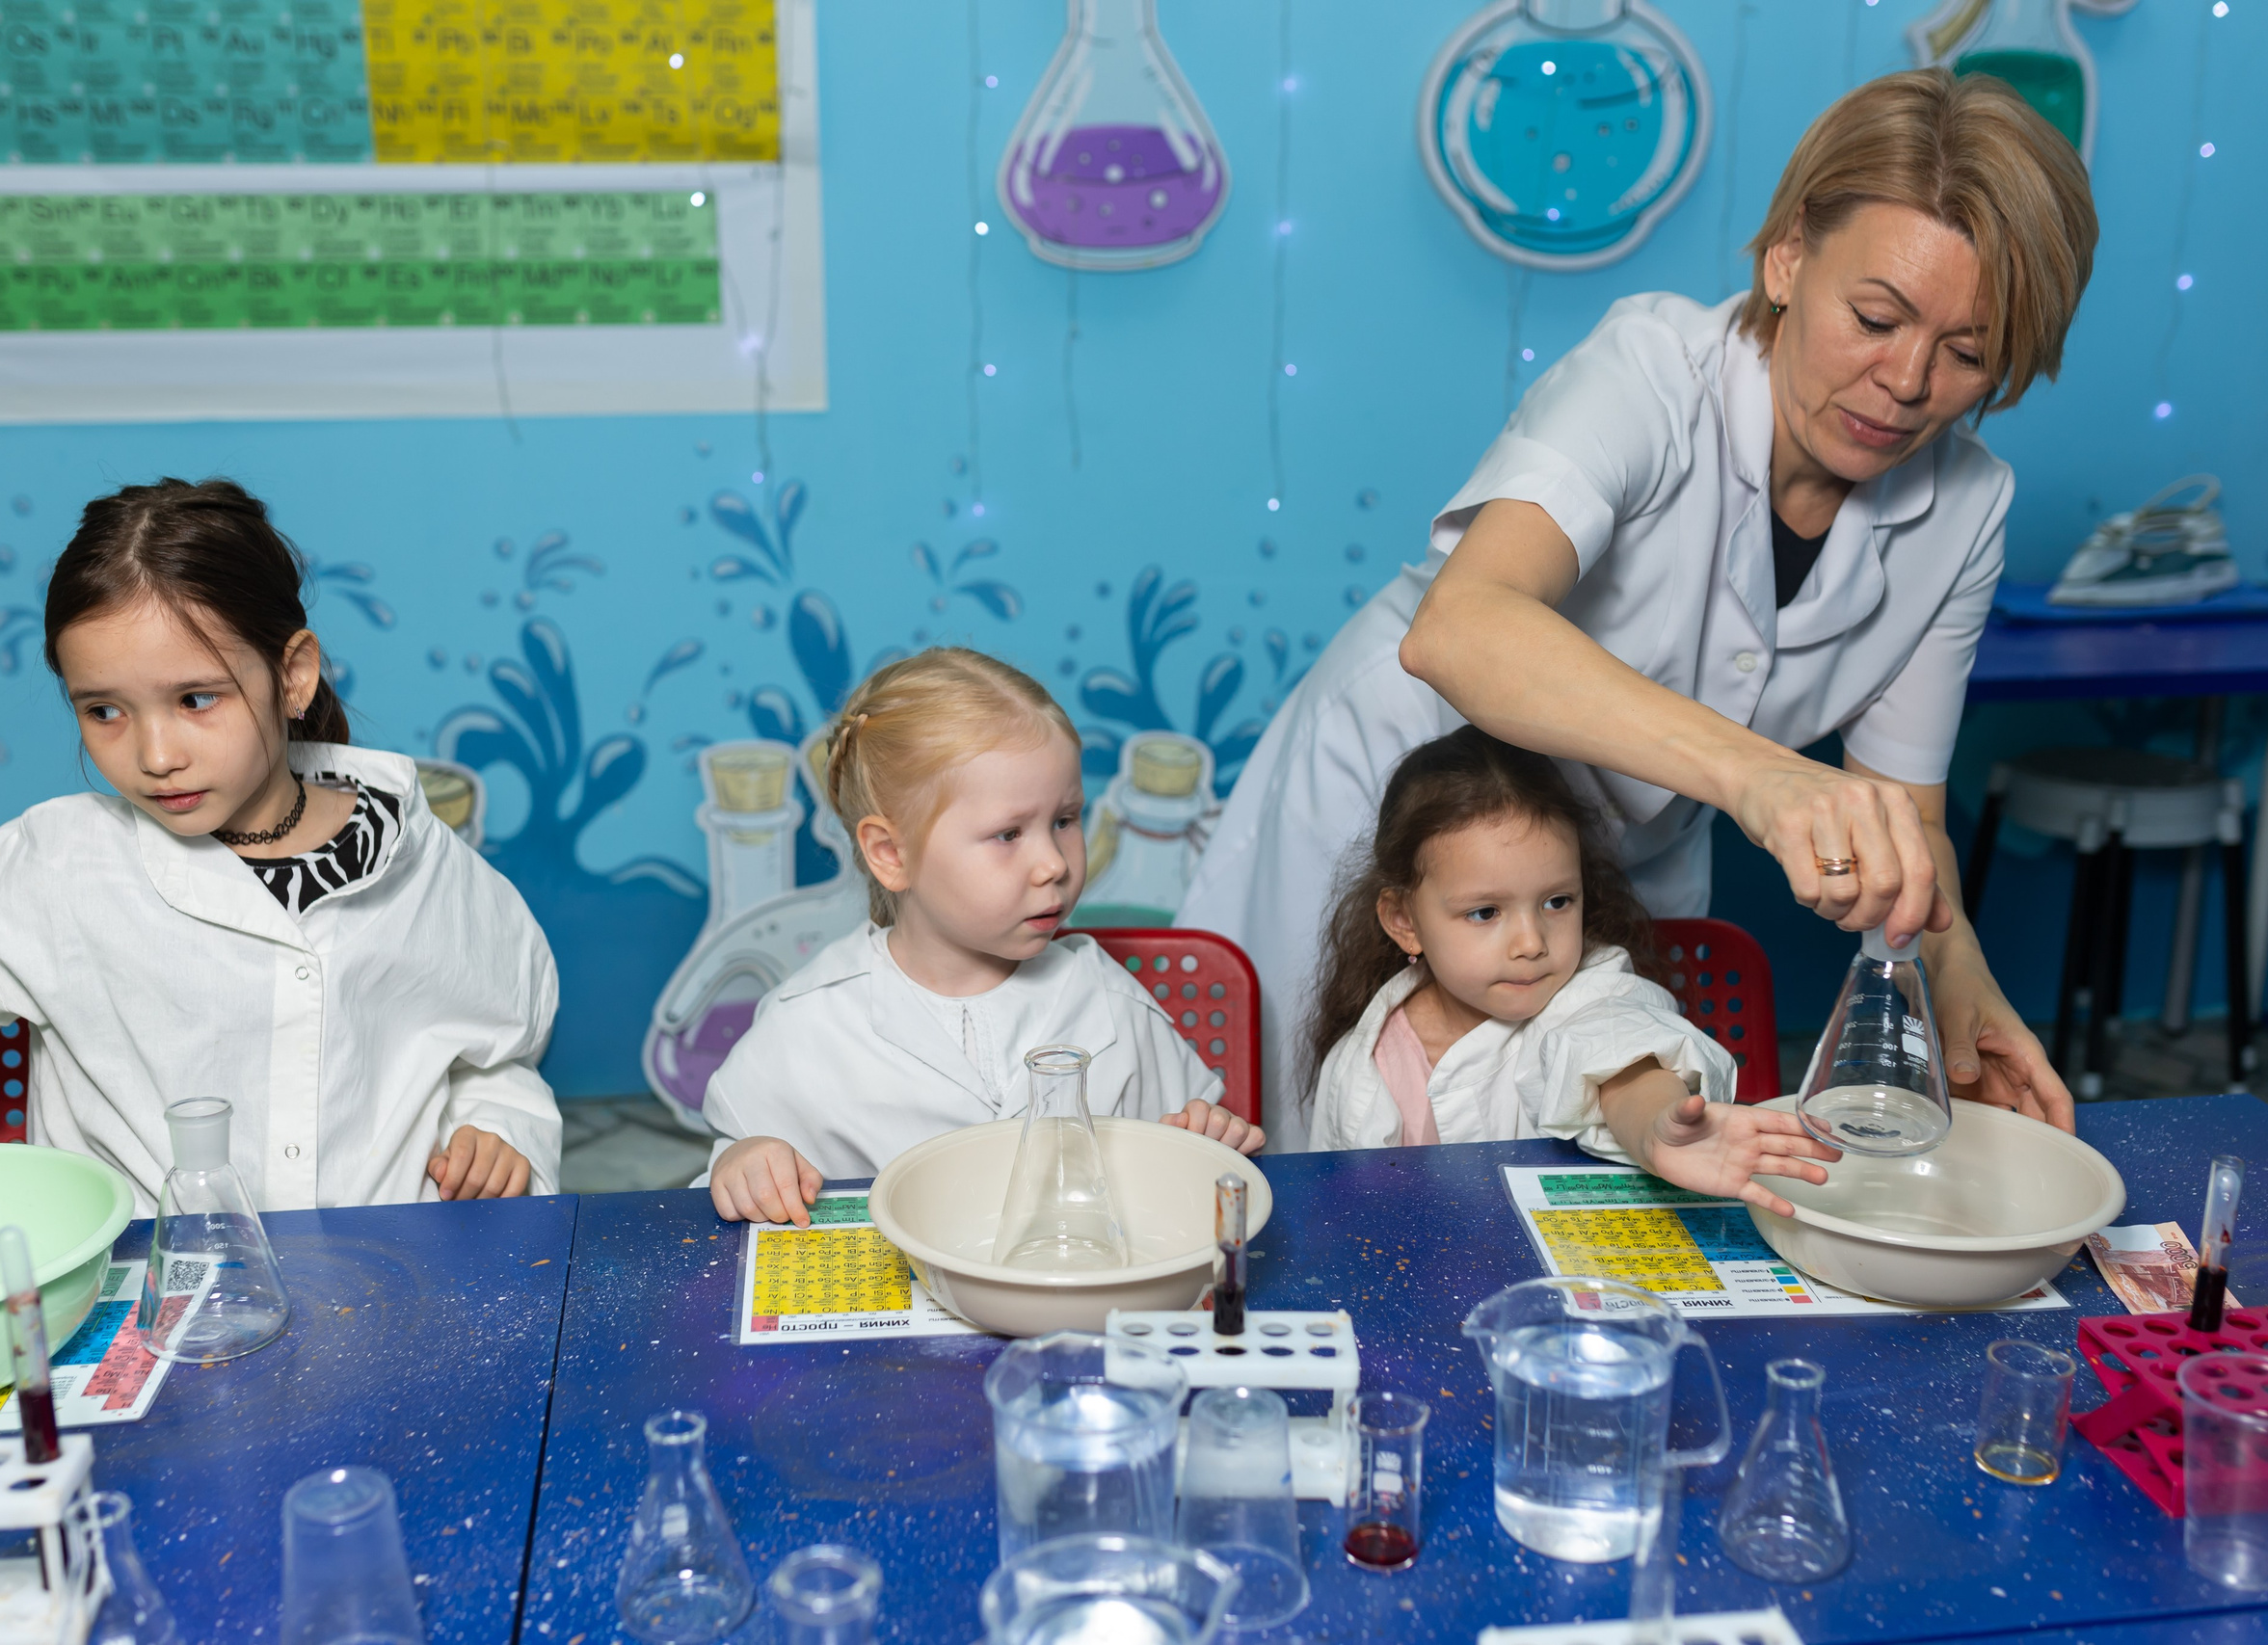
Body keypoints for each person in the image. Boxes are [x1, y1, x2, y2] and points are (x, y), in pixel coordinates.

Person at [1183, 69, 2097, 1148]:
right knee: (1298, 1155)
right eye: (1875, 317)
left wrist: (1961, 983)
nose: (1905, 382)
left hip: (1599, 874)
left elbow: (1905, 818)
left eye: (1966, 355)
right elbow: (1461, 627)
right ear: (1789, 256)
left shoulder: (1967, 505)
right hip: (1400, 807)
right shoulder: (1651, 370)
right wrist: (1758, 776)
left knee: (1592, 1152)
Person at [0, 479, 561, 1210]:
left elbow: (499, 1047)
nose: (155, 754)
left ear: (292, 676)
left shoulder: (424, 865)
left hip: (391, 1289)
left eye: (196, 699)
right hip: (142, 1300)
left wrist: (495, 1123)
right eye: (104, 711)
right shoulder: (60, 863)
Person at [702, 649, 1262, 1226]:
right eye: (1008, 834)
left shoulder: (1109, 1001)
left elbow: (1186, 1161)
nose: (1053, 864)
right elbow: (733, 1176)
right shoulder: (806, 1024)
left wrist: (1206, 1136)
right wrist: (742, 1164)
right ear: (891, 854)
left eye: (1065, 820)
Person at [1308, 729, 1833, 1215]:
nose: (1532, 942)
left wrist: (1656, 1127)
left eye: (1557, 901)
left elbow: (1620, 1055)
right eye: (1485, 912)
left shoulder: (1591, 992)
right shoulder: (1361, 1061)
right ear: (1404, 921)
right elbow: (1338, 1216)